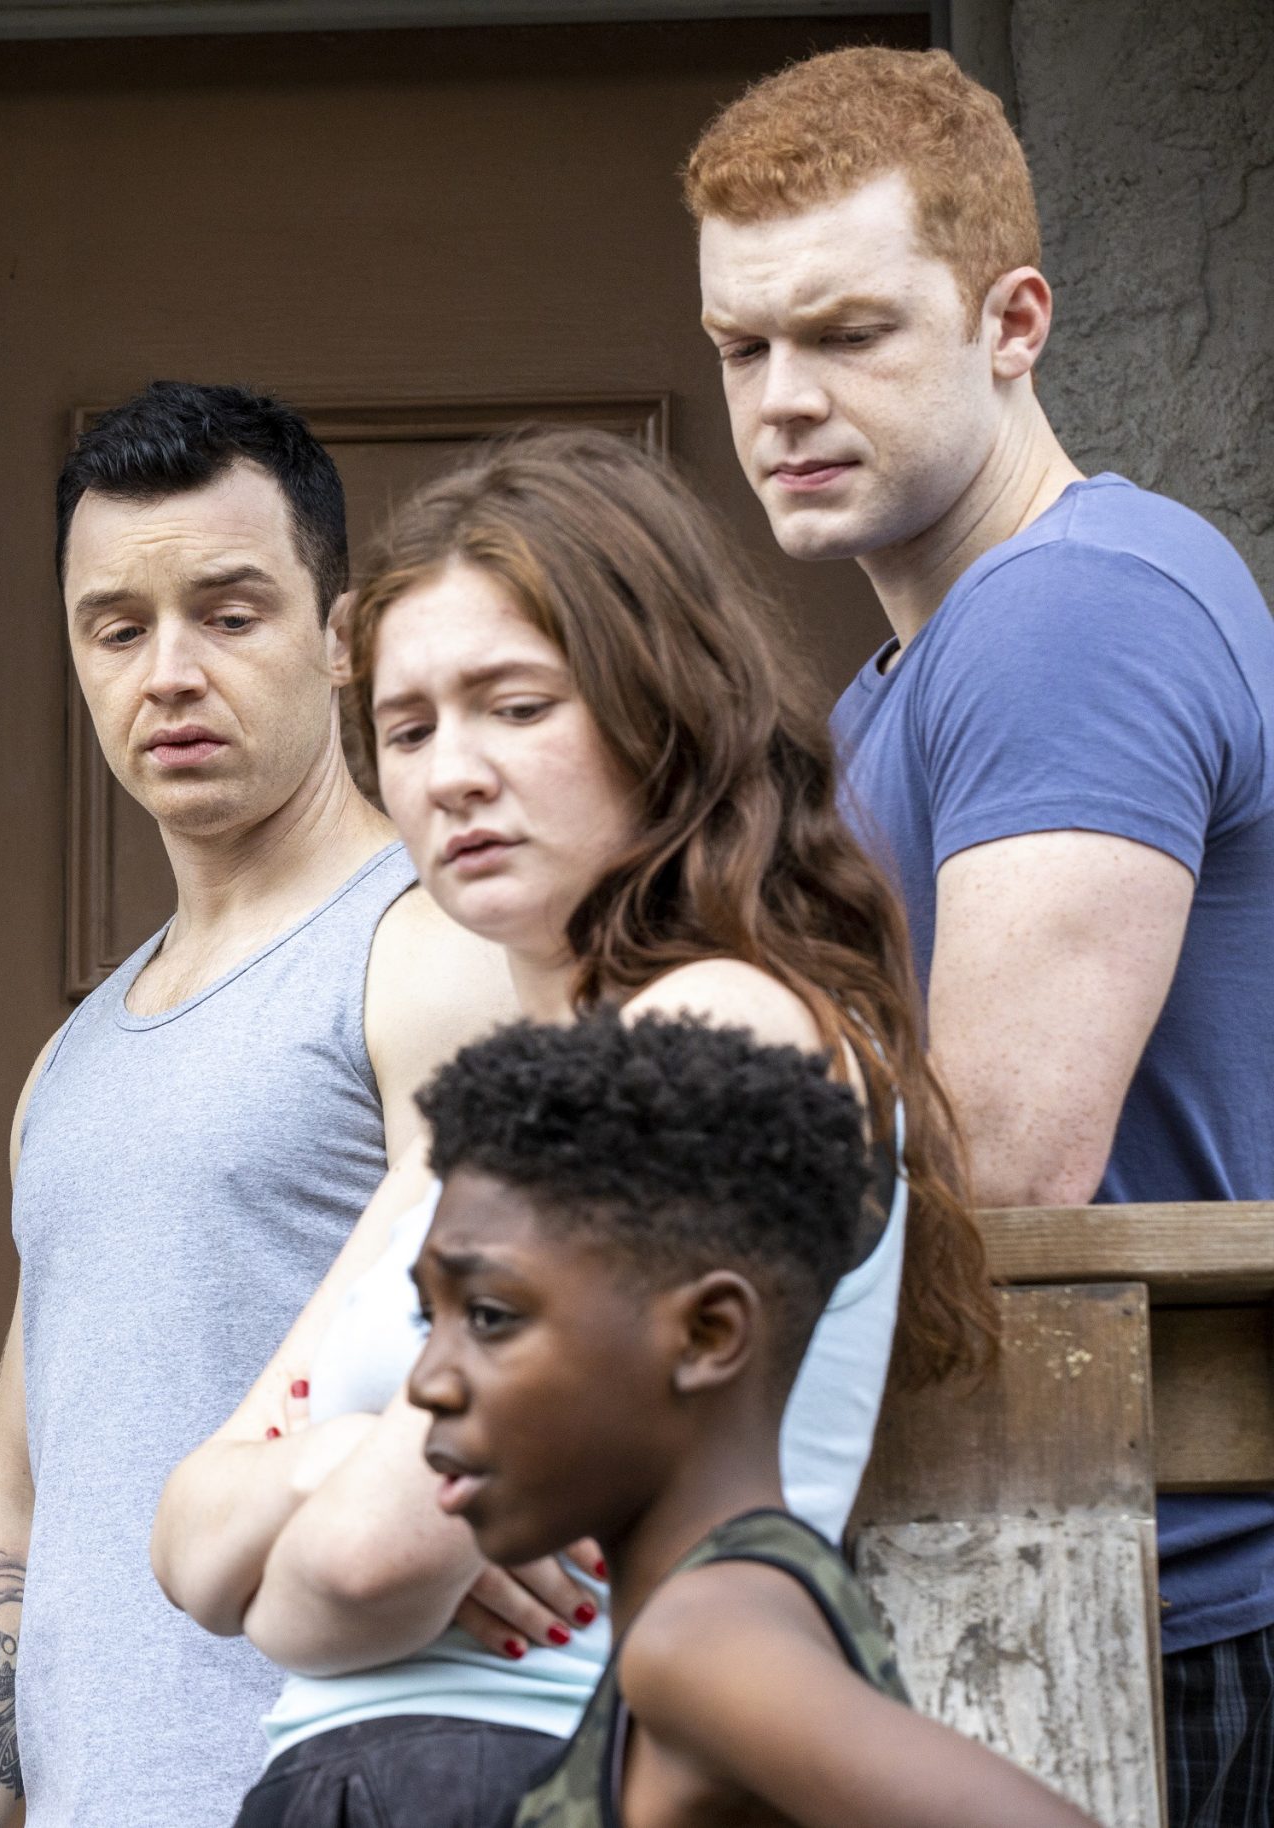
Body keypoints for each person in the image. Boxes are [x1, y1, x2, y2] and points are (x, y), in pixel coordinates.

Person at [151, 427, 994, 1828]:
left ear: (659, 707)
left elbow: (357, 1568)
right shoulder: (473, 1124)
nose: (453, 773)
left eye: (516, 706)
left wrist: (310, 1531)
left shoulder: (720, 1026)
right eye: (408, 729)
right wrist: (336, 1463)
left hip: (528, 1769)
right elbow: (185, 1536)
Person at [688, 49, 1274, 1825]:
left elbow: (1003, 1160)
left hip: (1157, 1601)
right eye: (742, 346)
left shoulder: (1068, 612)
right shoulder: (905, 677)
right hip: (1029, 1548)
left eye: (849, 334)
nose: (783, 398)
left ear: (1014, 322)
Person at [0, 382, 515, 1828]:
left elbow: (527, 1404)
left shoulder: (429, 953)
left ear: (339, 638)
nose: (169, 673)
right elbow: (16, 1511)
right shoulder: (71, 1065)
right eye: (117, 629)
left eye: (229, 614)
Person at [404, 1010, 1100, 1828]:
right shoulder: (729, 1608)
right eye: (427, 1317)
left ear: (708, 1335)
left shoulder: (702, 1642)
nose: (426, 1382)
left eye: (490, 1316)